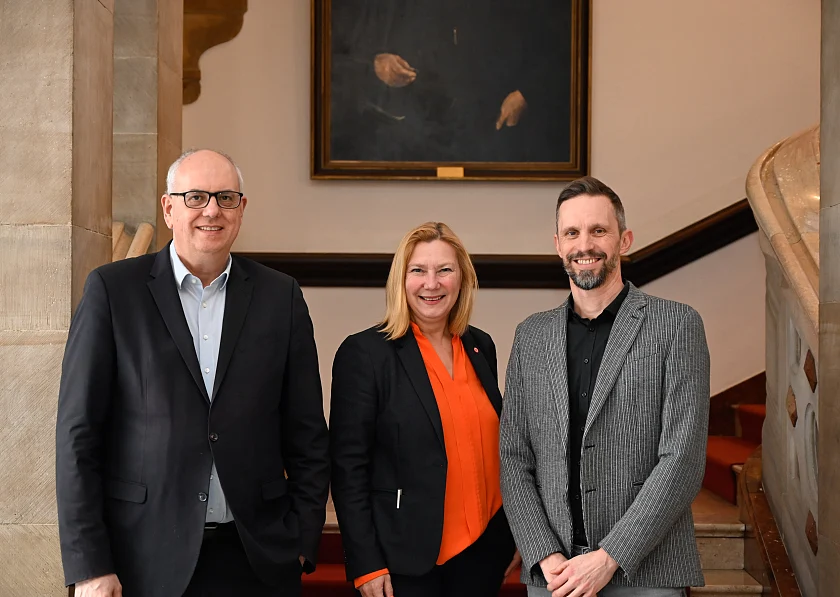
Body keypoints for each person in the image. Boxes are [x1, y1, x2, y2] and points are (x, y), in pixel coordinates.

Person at [55, 149, 330, 597]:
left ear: (242, 209)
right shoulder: (112, 291)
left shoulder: (281, 296)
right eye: (196, 197)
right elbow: (78, 435)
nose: (212, 211)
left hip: (256, 558)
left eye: (225, 197)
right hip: (141, 558)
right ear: (168, 208)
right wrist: (89, 564)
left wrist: (300, 537)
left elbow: (308, 434)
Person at [499, 177, 710, 597]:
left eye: (599, 231)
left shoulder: (677, 325)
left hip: (646, 571)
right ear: (558, 244)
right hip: (554, 575)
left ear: (624, 240)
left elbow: (681, 460)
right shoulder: (530, 336)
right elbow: (513, 455)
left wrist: (609, 557)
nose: (585, 245)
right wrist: (543, 553)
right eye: (573, 233)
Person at [329, 222, 519, 597]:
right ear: (401, 280)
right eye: (418, 270)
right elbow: (348, 467)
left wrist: (515, 534)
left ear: (462, 279)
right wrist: (365, 561)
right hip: (404, 559)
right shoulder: (365, 354)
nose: (431, 283)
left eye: (444, 270)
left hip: (484, 553)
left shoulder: (481, 346)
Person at [329, 0, 570, 163]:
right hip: (405, 132)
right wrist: (373, 64)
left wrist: (527, 93)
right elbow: (334, 53)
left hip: (497, 130)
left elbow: (563, 42)